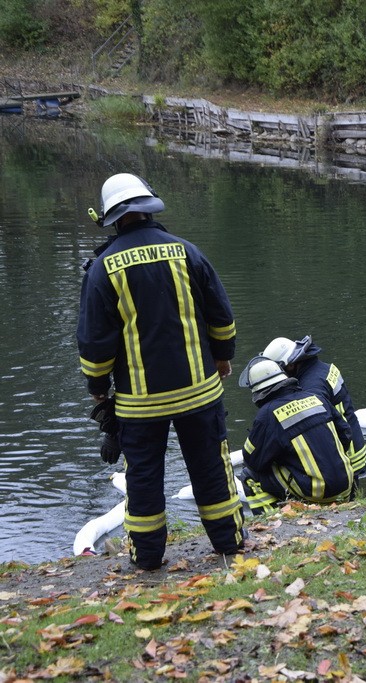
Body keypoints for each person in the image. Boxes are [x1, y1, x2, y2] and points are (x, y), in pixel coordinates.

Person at [77, 173, 244, 570]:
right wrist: (223, 357)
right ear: (149, 208)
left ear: (113, 218)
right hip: (200, 392)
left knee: (144, 479)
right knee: (210, 469)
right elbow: (221, 316)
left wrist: (98, 388)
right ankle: (228, 544)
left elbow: (95, 344)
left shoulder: (103, 269)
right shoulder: (187, 252)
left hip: (140, 403)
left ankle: (148, 558)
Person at [238, 358, 356, 513]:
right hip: (346, 486)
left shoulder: (267, 414)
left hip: (316, 493)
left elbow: (252, 460)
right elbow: (346, 434)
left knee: (249, 475)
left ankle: (272, 520)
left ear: (258, 392)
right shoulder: (316, 397)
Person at [261, 336, 366, 476]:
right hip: (355, 447)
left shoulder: (311, 388)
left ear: (290, 365)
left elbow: (315, 429)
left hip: (346, 455)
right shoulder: (323, 368)